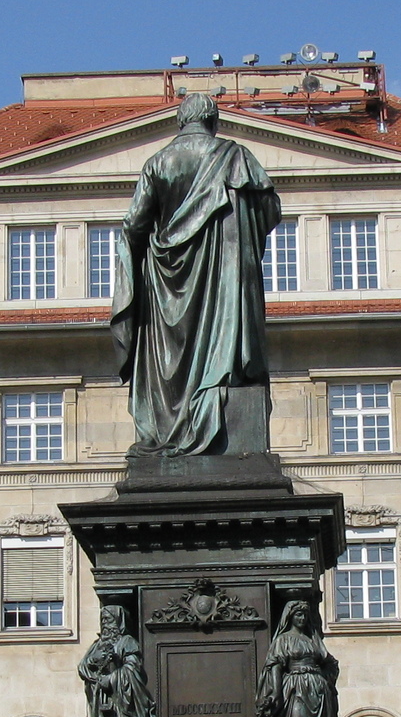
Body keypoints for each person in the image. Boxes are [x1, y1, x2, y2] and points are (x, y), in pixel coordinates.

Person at [113, 91, 280, 456]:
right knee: (223, 345)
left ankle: (168, 429)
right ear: (213, 121)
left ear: (180, 122)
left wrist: (137, 276)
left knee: (170, 360)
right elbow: (267, 209)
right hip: (224, 283)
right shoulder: (236, 157)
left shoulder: (158, 163)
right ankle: (216, 406)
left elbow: (133, 225)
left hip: (166, 285)